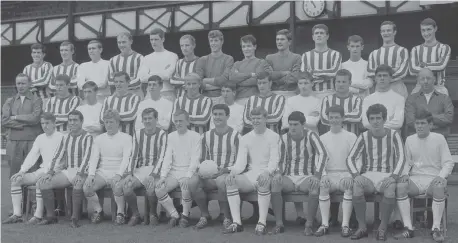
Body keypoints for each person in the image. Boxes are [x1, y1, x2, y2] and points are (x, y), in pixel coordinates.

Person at [347, 104, 406, 241]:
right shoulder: (363, 136)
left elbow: (402, 157)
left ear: (384, 119)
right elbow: (350, 158)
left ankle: (382, 228)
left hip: (386, 174)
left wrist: (394, 176)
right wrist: (356, 175)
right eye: (372, 118)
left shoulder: (394, 135)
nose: (375, 121)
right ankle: (362, 228)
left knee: (390, 189)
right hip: (368, 174)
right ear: (368, 120)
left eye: (378, 118)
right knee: (357, 186)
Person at [394, 110, 454, 242]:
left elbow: (448, 162)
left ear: (430, 125)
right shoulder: (410, 140)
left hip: (433, 178)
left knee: (439, 187)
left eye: (423, 123)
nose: (419, 126)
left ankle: (436, 229)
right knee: (400, 186)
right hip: (416, 179)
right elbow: (406, 162)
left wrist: (442, 176)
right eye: (417, 123)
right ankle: (408, 228)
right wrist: (404, 174)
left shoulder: (439, 139)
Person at [223, 107, 280, 235]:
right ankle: (237, 223)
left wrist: (266, 172)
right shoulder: (245, 138)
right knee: (231, 181)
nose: (256, 121)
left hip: (267, 173)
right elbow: (240, 162)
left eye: (258, 118)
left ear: (265, 119)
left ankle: (262, 223)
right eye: (253, 118)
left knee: (263, 182)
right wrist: (232, 173)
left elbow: (274, 159)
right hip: (251, 174)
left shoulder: (274, 136)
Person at [270, 111, 328, 235]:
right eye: (290, 124)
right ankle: (279, 224)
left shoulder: (311, 135)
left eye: (295, 124)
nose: (292, 127)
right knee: (275, 183)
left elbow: (323, 154)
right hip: (289, 177)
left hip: (306, 176)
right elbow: (279, 159)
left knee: (314, 186)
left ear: (303, 125)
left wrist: (317, 176)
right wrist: (278, 173)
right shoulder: (283, 138)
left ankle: (309, 224)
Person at [2, 112, 64, 224]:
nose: (44, 126)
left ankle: (38, 216)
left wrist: (50, 172)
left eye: (47, 123)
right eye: (42, 123)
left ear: (54, 124)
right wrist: (22, 171)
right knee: (15, 180)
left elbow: (61, 160)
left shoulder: (62, 137)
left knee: (41, 181)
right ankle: (17, 215)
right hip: (41, 170)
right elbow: (32, 155)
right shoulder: (40, 138)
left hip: (56, 172)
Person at [188, 104, 242, 229]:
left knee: (222, 181)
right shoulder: (206, 136)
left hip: (227, 173)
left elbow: (240, 160)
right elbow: (201, 158)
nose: (217, 117)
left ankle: (226, 216)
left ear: (227, 116)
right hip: (210, 175)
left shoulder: (236, 136)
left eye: (220, 114)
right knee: (192, 182)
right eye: (215, 114)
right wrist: (200, 169)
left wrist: (226, 170)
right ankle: (204, 215)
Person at [37, 110, 93, 227]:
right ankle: (51, 217)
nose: (72, 123)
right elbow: (57, 155)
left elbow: (88, 157)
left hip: (83, 171)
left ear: (81, 121)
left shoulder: (88, 137)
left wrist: (80, 173)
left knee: (77, 184)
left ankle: (75, 218)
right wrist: (50, 172)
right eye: (70, 120)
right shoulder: (66, 137)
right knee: (44, 183)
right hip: (69, 171)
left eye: (75, 120)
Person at [83, 109, 133, 225]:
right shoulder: (99, 139)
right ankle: (99, 211)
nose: (108, 125)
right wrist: (91, 175)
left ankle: (120, 213)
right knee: (87, 187)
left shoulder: (126, 138)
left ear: (118, 123)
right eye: (106, 122)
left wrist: (119, 174)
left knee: (117, 186)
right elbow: (94, 158)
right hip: (103, 172)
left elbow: (127, 159)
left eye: (111, 122)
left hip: (119, 172)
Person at [120, 108, 167, 226]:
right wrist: (130, 173)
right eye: (145, 119)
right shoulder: (138, 133)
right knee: (126, 187)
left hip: (156, 169)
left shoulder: (162, 134)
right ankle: (136, 215)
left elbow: (162, 157)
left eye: (150, 118)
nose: (147, 121)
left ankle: (152, 214)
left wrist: (153, 175)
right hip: (141, 169)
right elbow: (134, 155)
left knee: (151, 188)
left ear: (156, 119)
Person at [155, 109, 202, 228]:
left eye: (181, 121)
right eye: (175, 121)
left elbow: (195, 159)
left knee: (185, 187)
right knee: (159, 189)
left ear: (188, 122)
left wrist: (188, 176)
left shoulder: (195, 136)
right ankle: (174, 214)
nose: (178, 123)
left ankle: (185, 215)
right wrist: (163, 176)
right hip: (174, 172)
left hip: (187, 172)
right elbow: (167, 158)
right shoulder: (170, 136)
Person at [316, 106, 357, 237]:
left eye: (337, 117)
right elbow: (319, 159)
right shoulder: (322, 138)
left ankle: (345, 225)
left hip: (345, 173)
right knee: (323, 186)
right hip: (330, 174)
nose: (334, 120)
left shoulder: (351, 136)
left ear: (343, 118)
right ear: (328, 119)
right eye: (331, 117)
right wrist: (323, 175)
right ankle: (324, 224)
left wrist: (351, 175)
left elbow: (356, 158)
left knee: (348, 187)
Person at [2, 73, 43, 176]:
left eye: (23, 83)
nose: (20, 86)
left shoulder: (37, 100)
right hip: (13, 141)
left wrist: (16, 117)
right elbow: (4, 121)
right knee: (14, 174)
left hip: (31, 141)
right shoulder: (10, 101)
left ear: (29, 84)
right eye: (18, 83)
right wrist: (23, 125)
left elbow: (35, 119)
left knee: (32, 173)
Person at [405, 68, 454, 137]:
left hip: (439, 138)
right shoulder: (411, 99)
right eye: (422, 79)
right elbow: (410, 121)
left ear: (434, 79)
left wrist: (427, 117)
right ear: (418, 81)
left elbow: (448, 118)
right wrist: (434, 121)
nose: (425, 81)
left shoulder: (445, 98)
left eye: (428, 78)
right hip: (417, 139)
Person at [367, 21, 409, 99]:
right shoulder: (374, 53)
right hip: (380, 89)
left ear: (394, 32)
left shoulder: (402, 51)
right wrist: (393, 70)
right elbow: (370, 72)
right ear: (380, 33)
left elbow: (403, 72)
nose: (386, 33)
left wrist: (381, 75)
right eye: (383, 31)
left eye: (389, 30)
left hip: (397, 88)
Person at [410, 18, 451, 96]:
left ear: (435, 29)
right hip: (420, 88)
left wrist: (423, 65)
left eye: (429, 29)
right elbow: (412, 70)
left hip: (439, 88)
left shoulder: (444, 47)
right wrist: (433, 67)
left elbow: (441, 66)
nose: (426, 33)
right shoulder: (415, 49)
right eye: (423, 30)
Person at [301, 24, 342, 100]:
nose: (319, 35)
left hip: (330, 92)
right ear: (313, 37)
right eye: (316, 33)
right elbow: (305, 75)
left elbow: (335, 72)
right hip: (311, 93)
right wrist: (325, 76)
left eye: (322, 33)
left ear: (327, 36)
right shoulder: (306, 55)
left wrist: (313, 73)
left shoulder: (335, 54)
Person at [228, 34, 272, 105]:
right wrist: (251, 75)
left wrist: (239, 80)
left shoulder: (261, 62)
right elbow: (232, 79)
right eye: (244, 46)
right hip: (238, 100)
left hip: (256, 99)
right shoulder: (237, 64)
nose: (246, 49)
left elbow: (256, 80)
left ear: (254, 47)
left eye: (248, 46)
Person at [362, 65, 405, 133]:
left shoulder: (399, 99)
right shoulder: (367, 99)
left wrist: (375, 124)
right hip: (373, 138)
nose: (382, 78)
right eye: (379, 76)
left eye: (385, 75)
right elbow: (366, 123)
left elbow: (398, 123)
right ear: (375, 79)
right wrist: (388, 121)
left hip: (392, 137)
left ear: (390, 78)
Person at [138, 28, 178, 101]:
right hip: (150, 94)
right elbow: (142, 78)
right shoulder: (146, 58)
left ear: (163, 39)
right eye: (151, 40)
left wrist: (150, 73)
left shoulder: (172, 56)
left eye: (156, 39)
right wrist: (161, 72)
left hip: (167, 93)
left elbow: (167, 75)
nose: (153, 42)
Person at [320, 69, 363, 136]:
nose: (340, 84)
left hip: (351, 138)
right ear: (335, 83)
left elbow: (357, 117)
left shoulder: (357, 99)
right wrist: (349, 115)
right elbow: (324, 119)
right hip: (332, 138)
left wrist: (333, 117)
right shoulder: (327, 99)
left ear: (350, 83)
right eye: (338, 81)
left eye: (343, 82)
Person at [197, 30, 234, 104]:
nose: (213, 43)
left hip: (222, 98)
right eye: (211, 41)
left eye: (216, 40)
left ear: (222, 41)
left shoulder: (228, 59)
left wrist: (205, 80)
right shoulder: (202, 60)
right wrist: (219, 86)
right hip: (205, 98)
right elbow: (198, 82)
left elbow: (224, 80)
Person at [100, 71, 140, 137]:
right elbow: (102, 119)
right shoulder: (108, 99)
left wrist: (110, 117)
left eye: (121, 82)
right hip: (110, 138)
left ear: (128, 82)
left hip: (128, 137)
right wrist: (121, 119)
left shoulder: (135, 98)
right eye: (116, 82)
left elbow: (131, 115)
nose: (118, 84)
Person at [281, 71, 320, 136]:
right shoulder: (290, 101)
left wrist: (294, 120)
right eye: (300, 83)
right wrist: (308, 118)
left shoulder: (318, 101)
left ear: (312, 83)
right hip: (293, 138)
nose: (303, 86)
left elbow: (313, 122)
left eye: (306, 83)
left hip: (311, 137)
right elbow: (285, 123)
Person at [266, 29, 301, 99]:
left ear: (289, 42)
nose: (279, 42)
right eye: (277, 39)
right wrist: (284, 73)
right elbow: (268, 76)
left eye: (282, 39)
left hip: (291, 94)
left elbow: (294, 78)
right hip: (273, 94)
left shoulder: (296, 57)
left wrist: (275, 78)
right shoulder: (269, 58)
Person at [108, 32, 144, 98]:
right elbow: (110, 80)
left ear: (131, 41)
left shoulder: (139, 58)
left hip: (135, 93)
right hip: (119, 94)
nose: (121, 45)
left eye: (124, 42)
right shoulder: (113, 60)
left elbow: (140, 79)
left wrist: (120, 83)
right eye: (119, 42)